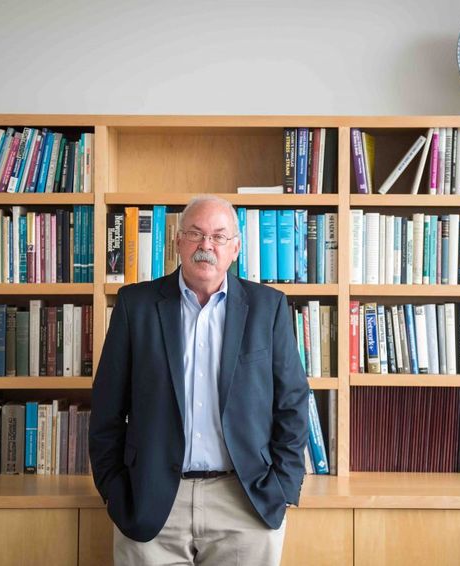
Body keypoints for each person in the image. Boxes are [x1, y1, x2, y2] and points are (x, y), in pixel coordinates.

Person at [89, 195, 310, 566]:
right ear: (177, 242)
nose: (206, 245)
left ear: (235, 248)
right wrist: (114, 488)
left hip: (244, 503)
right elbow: (107, 407)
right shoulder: (135, 305)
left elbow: (292, 403)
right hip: (152, 502)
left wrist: (283, 486)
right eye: (195, 233)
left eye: (219, 236)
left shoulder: (268, 308)